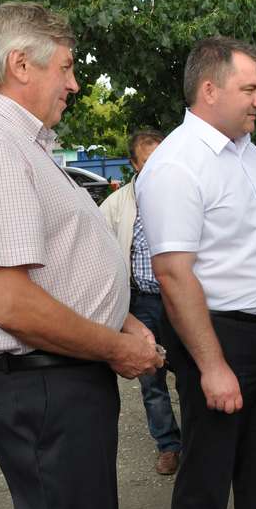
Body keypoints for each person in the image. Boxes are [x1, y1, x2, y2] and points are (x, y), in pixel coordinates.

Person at [0, 1, 162, 509]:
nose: (75, 84)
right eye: (67, 67)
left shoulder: (16, 144)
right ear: (20, 65)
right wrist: (115, 347)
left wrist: (119, 319)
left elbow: (57, 267)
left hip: (57, 375)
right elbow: (9, 303)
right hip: (45, 380)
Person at [136, 36, 256, 509]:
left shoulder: (249, 153)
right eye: (250, 89)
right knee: (207, 478)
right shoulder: (176, 165)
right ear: (209, 90)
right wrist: (211, 365)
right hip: (217, 336)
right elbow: (173, 274)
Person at [100, 128, 182, 475]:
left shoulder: (184, 195)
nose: (155, 168)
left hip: (180, 300)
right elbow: (99, 250)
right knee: (151, 378)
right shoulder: (117, 205)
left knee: (191, 370)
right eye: (147, 162)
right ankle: (169, 445)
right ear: (133, 164)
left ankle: (201, 443)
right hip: (142, 303)